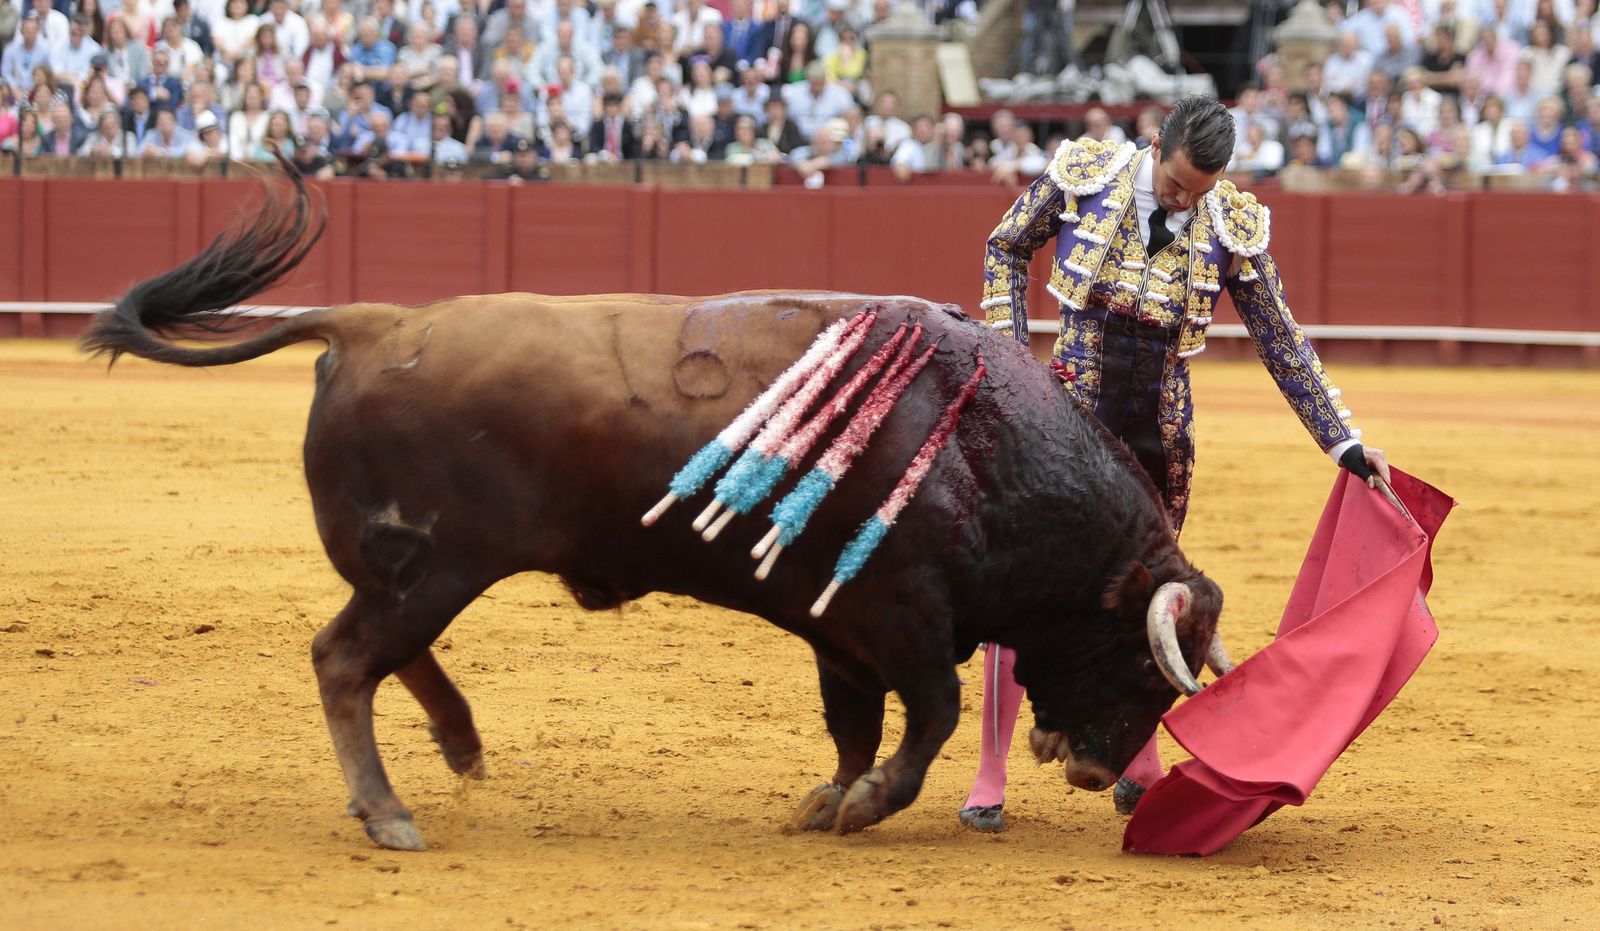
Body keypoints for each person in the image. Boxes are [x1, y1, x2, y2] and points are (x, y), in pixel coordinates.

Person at [966, 95, 1392, 832]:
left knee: (1150, 600)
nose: (1184, 201)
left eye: (1199, 192)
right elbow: (1006, 244)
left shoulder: (1228, 220)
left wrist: (1343, 441)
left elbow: (1282, 341)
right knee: (1025, 588)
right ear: (1156, 143)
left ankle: (1138, 759)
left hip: (1161, 438)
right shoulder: (1087, 172)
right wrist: (1011, 358)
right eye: (1174, 186)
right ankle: (991, 771)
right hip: (1068, 420)